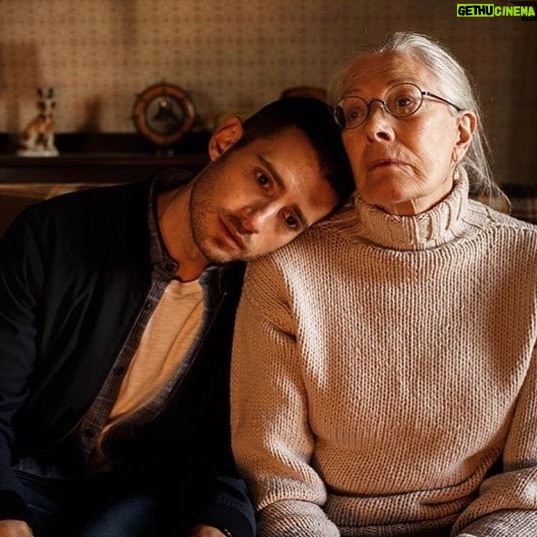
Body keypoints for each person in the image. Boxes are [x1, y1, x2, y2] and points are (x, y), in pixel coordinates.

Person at [0, 96, 354, 537]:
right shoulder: (52, 234)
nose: (255, 221)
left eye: (289, 219)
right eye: (262, 179)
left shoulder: (263, 296)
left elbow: (230, 454)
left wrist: (218, 522)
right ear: (225, 142)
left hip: (142, 498)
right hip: (21, 475)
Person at [231, 32, 537, 537]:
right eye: (353, 113)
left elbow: (529, 484)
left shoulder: (528, 263)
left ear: (462, 134)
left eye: (403, 103)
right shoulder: (287, 267)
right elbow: (277, 480)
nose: (374, 126)